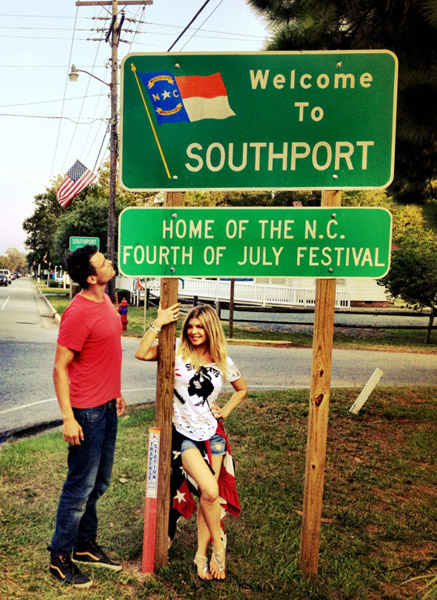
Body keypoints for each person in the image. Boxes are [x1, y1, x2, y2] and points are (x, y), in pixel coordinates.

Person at [135, 303, 248, 581]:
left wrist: (226, 410)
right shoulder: (176, 350)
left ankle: (201, 555)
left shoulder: (223, 361)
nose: (194, 331)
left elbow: (242, 389)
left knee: (209, 497)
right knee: (210, 489)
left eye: (200, 327)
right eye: (191, 327)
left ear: (211, 330)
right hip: (183, 435)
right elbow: (141, 352)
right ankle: (219, 547)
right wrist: (158, 323)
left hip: (213, 435)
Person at [48, 245, 126, 589]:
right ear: (92, 278)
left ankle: (83, 544)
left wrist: (116, 391)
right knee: (79, 487)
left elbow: (103, 353)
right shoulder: (77, 313)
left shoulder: (105, 299)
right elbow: (59, 368)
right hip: (87, 413)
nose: (109, 262)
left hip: (107, 406)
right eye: (103, 262)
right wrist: (68, 418)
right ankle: (60, 557)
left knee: (100, 482)